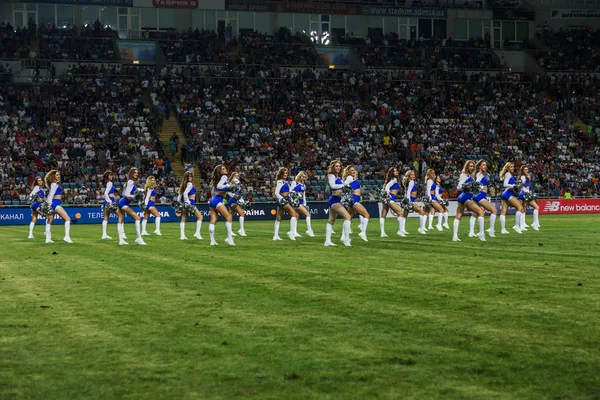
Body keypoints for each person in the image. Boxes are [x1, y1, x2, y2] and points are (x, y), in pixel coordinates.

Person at [453, 161, 486, 242]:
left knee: (459, 216)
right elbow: (459, 187)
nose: (471, 168)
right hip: (466, 196)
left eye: (473, 166)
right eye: (470, 166)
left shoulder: (469, 176)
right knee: (481, 213)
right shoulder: (464, 175)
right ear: (467, 166)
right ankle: (481, 234)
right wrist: (468, 186)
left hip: (463, 197)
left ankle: (454, 236)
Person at [324, 160, 352, 247]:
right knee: (347, 217)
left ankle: (327, 241)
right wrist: (344, 185)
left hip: (338, 200)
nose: (338, 168)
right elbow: (333, 186)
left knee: (331, 220)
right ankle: (346, 239)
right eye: (336, 166)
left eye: (339, 166)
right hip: (334, 200)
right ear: (333, 167)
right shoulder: (331, 176)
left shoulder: (339, 177)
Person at [116, 168, 146, 245]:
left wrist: (141, 191)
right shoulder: (130, 181)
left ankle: (121, 240)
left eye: (137, 173)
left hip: (122, 202)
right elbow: (126, 194)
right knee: (137, 218)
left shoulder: (131, 182)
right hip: (123, 203)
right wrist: (135, 196)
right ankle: (139, 238)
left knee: (120, 220)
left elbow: (124, 193)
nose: (136, 174)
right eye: (135, 173)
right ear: (131, 174)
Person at [208, 165, 235, 246]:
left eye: (225, 168)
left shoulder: (217, 179)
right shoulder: (224, 177)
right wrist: (228, 186)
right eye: (223, 169)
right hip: (218, 200)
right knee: (228, 218)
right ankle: (230, 239)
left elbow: (215, 191)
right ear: (220, 172)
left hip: (212, 200)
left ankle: (212, 241)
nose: (225, 169)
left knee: (213, 220)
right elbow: (220, 187)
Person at [44, 170, 73, 244]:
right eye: (56, 175)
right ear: (53, 176)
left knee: (49, 221)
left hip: (54, 203)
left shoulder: (54, 184)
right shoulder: (54, 184)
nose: (58, 176)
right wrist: (49, 204)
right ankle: (67, 237)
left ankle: (48, 238)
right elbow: (51, 195)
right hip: (55, 204)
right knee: (67, 219)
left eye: (58, 175)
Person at [471, 160, 498, 237]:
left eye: (485, 165)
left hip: (480, 195)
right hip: (480, 195)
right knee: (494, 211)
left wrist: (489, 189)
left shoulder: (485, 175)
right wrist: (483, 187)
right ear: (479, 166)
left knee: (474, 214)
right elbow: (476, 184)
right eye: (483, 165)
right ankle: (491, 231)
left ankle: (472, 232)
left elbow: (487, 184)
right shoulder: (479, 174)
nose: (485, 166)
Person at [381, 167, 410, 237]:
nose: (396, 172)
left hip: (387, 199)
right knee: (400, 213)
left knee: (383, 216)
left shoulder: (391, 180)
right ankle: (400, 231)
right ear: (392, 173)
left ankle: (382, 233)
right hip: (390, 199)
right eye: (394, 171)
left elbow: (385, 187)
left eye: (396, 170)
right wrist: (388, 193)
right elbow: (387, 186)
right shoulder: (394, 179)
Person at [343, 165, 369, 241]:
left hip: (355, 199)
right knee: (366, 215)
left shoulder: (353, 178)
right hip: (354, 200)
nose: (354, 171)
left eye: (354, 170)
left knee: (348, 217)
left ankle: (343, 236)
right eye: (351, 170)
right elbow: (344, 185)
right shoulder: (349, 178)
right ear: (348, 172)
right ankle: (363, 233)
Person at [273, 167, 299, 241]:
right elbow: (276, 193)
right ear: (281, 174)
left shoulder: (285, 182)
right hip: (283, 200)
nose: (285, 174)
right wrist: (282, 199)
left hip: (284, 200)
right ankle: (291, 232)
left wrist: (293, 194)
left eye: (286, 173)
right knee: (294, 215)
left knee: (278, 218)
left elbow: (289, 191)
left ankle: (275, 235)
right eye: (284, 173)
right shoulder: (280, 182)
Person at [499, 162, 525, 234]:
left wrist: (515, 186)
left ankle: (503, 229)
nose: (512, 168)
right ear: (507, 168)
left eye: (513, 167)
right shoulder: (508, 174)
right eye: (511, 167)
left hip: (505, 194)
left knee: (503, 211)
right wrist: (514, 186)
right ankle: (516, 226)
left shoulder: (509, 174)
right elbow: (505, 184)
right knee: (520, 208)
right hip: (508, 194)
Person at [178, 171, 203, 241]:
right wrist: (188, 203)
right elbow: (185, 194)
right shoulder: (189, 184)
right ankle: (197, 233)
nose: (190, 178)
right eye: (189, 176)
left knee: (184, 218)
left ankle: (182, 236)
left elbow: (180, 194)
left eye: (191, 176)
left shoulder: (183, 184)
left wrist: (180, 203)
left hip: (184, 204)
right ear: (186, 177)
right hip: (190, 203)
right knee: (200, 217)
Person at [401, 170, 428, 235]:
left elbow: (406, 192)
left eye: (414, 174)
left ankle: (402, 229)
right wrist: (409, 201)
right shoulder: (411, 182)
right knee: (421, 212)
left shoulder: (407, 182)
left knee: (404, 215)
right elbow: (408, 192)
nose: (413, 176)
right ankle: (421, 228)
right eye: (412, 175)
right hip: (410, 200)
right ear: (409, 176)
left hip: (408, 199)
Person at [290, 171, 315, 237]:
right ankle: (309, 230)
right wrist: (294, 198)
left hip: (301, 202)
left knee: (296, 216)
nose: (303, 178)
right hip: (296, 201)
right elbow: (290, 192)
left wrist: (304, 203)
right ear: (299, 176)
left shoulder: (304, 185)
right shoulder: (294, 183)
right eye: (302, 177)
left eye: (305, 177)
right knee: (308, 214)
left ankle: (294, 232)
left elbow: (303, 195)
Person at [519, 166, 540, 231]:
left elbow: (528, 186)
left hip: (525, 193)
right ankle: (534, 223)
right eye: (525, 170)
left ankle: (522, 224)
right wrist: (528, 193)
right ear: (522, 170)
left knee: (524, 209)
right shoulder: (523, 177)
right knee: (536, 207)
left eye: (527, 169)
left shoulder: (526, 176)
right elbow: (521, 186)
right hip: (524, 193)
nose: (526, 171)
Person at [226, 171, 247, 237]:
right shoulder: (235, 181)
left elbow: (236, 192)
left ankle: (230, 231)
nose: (237, 176)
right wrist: (234, 196)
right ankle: (241, 230)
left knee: (230, 216)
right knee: (242, 214)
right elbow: (229, 192)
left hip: (232, 200)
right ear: (233, 176)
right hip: (233, 200)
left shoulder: (233, 182)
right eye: (236, 175)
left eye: (238, 175)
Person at [101, 171, 116, 240]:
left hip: (108, 201)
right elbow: (105, 193)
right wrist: (110, 201)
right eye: (110, 175)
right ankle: (122, 234)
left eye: (111, 175)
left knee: (106, 217)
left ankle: (104, 234)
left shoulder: (108, 183)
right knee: (120, 215)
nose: (111, 176)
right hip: (110, 200)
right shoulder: (109, 183)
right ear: (107, 176)